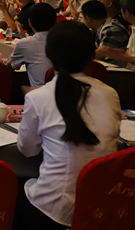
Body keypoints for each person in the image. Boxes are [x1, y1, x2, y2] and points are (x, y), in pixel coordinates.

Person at [16, 21, 121, 229]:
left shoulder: (38, 97)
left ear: (49, 55)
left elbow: (27, 151)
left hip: (55, 210)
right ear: (91, 56)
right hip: (101, 205)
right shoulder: (110, 94)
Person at [9, 3, 57, 90]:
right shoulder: (63, 40)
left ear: (30, 23)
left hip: (39, 94)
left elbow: (10, 67)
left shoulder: (24, 44)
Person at [82, 0, 130, 67]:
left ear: (88, 18)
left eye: (83, 17)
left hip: (118, 70)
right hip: (108, 67)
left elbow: (100, 54)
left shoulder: (112, 28)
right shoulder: (97, 28)